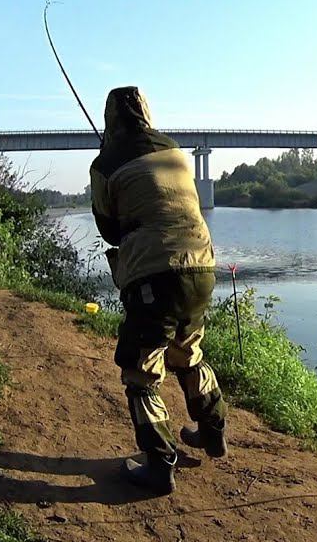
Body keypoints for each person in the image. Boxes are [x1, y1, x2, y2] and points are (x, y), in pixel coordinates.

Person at [89, 86, 228, 495]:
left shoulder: (106, 163)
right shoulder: (175, 150)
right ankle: (213, 430)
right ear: (146, 114)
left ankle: (159, 462)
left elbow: (109, 230)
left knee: (141, 370)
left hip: (153, 273)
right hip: (202, 266)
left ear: (110, 118)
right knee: (187, 352)